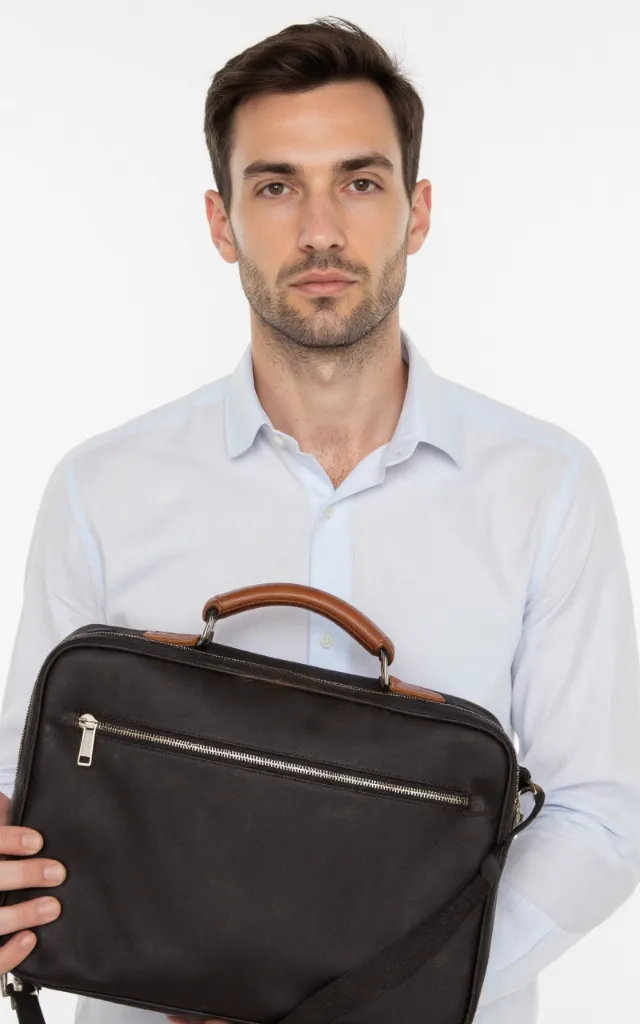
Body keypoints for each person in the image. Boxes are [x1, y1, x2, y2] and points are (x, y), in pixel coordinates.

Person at [1, 15, 639, 1024]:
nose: (320, 232)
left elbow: (602, 814)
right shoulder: (101, 489)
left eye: (360, 181)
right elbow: (26, 782)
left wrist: (372, 995)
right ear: (221, 224)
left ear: (416, 212)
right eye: (275, 186)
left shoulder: (544, 487)